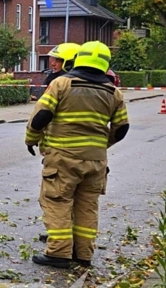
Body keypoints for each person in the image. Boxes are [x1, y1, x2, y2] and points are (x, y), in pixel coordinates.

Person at [25, 41, 129, 268]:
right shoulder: (114, 92)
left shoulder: (62, 84)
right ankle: (83, 254)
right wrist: (100, 145)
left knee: (58, 201)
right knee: (86, 205)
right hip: (96, 161)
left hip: (63, 157)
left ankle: (59, 253)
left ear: (78, 59)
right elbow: (121, 129)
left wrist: (31, 139)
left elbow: (41, 116)